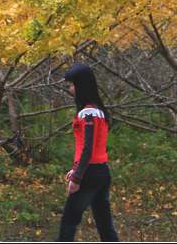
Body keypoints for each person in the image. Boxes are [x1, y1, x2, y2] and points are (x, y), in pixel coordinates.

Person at [57, 63, 119, 241]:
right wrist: (76, 168)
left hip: (89, 174)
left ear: (81, 85)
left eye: (72, 84)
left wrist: (77, 177)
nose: (70, 89)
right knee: (105, 226)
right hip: (102, 172)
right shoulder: (100, 112)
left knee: (68, 222)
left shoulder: (88, 113)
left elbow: (88, 148)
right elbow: (95, 148)